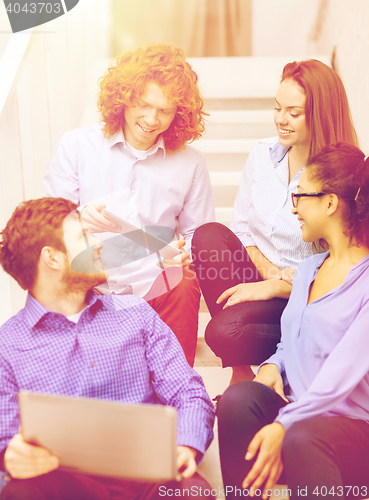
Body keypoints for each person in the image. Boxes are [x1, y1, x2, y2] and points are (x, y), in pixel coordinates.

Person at [0, 197, 216, 500]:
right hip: (66, 485)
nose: (100, 246)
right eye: (85, 239)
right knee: (20, 492)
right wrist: (10, 455)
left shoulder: (135, 313)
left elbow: (188, 392)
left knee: (192, 492)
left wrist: (186, 445)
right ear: (52, 258)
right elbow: (4, 436)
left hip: (148, 479)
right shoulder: (7, 346)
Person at [43, 43, 215, 367]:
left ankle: (176, 392)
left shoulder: (191, 164)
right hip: (90, 282)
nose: (151, 120)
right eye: (143, 105)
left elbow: (199, 236)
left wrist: (186, 251)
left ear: (179, 112)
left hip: (156, 282)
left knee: (187, 279)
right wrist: (77, 220)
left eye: (164, 110)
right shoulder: (77, 146)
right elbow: (45, 228)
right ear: (123, 98)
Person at [217, 143, 369, 500]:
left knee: (303, 435)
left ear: (330, 203)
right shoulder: (308, 272)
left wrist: (284, 424)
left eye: (300, 195)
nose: (293, 206)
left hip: (352, 427)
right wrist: (271, 366)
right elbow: (290, 343)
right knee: (237, 400)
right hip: (300, 411)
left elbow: (339, 377)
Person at [192, 59, 358, 385]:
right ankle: (239, 374)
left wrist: (278, 286)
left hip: (302, 298)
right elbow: (242, 229)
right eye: (277, 107)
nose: (280, 120)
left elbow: (339, 271)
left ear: (320, 115)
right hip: (262, 272)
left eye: (293, 113)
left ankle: (282, 363)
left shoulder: (342, 177)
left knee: (225, 332)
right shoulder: (261, 154)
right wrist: (267, 276)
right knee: (208, 236)